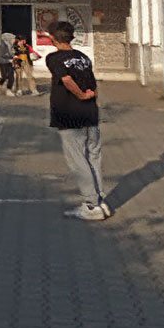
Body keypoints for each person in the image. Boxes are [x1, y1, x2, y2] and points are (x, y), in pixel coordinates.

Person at [45, 21, 109, 220]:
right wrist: (90, 95)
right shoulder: (83, 57)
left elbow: (66, 80)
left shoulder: (54, 58)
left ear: (53, 38)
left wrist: (81, 95)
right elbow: (93, 84)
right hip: (90, 113)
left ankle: (91, 205)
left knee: (78, 160)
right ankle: (99, 200)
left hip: (69, 115)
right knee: (93, 157)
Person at [0, 31, 18, 95]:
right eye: (13, 39)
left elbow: (13, 52)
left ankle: (9, 90)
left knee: (11, 77)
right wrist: (11, 57)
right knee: (4, 76)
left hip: (10, 62)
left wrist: (14, 56)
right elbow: (2, 54)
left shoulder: (12, 45)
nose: (14, 41)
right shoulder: (3, 45)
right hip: (3, 62)